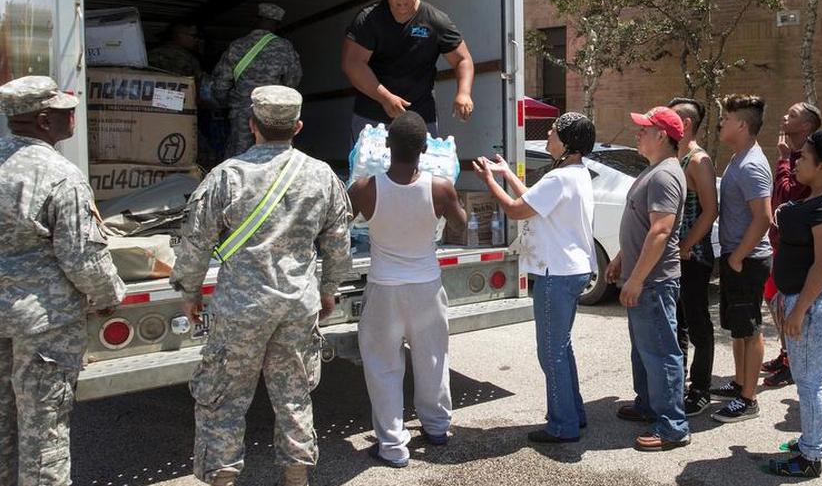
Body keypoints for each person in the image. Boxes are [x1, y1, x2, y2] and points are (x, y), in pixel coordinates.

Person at [172, 85, 353, 486]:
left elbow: (195, 241)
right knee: (293, 396)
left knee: (223, 397)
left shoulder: (226, 176)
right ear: (298, 126)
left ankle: (222, 478)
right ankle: (295, 475)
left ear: (251, 125)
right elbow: (338, 241)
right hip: (296, 305)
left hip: (240, 309)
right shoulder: (322, 175)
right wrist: (329, 288)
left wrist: (189, 293)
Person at [0, 76, 126, 486]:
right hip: (43, 325)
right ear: (41, 120)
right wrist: (109, 295)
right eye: (63, 110)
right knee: (45, 431)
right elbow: (83, 258)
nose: (72, 114)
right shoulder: (58, 175)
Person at [348, 111, 467, 467]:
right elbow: (460, 226)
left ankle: (392, 447)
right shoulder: (440, 187)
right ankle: (436, 428)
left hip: (384, 288)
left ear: (387, 146)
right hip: (426, 287)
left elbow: (341, 223)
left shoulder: (366, 188)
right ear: (424, 149)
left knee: (383, 366)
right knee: (432, 358)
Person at [473, 112, 597, 443]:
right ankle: (574, 413)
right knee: (562, 346)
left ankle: (563, 425)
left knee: (551, 351)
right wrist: (507, 174)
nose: (548, 137)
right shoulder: (575, 173)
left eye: (554, 132)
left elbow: (516, 210)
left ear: (568, 143)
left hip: (555, 272)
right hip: (573, 269)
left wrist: (489, 181)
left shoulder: (560, 179)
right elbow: (530, 199)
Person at [768, 129, 822, 478]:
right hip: (806, 300)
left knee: (809, 382)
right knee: (821, 374)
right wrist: (784, 296)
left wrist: (799, 308)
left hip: (815, 304)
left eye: (803, 157)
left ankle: (809, 456)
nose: (796, 161)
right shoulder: (815, 199)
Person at [604, 106, 690, 451]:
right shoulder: (655, 171)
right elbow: (642, 225)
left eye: (644, 129)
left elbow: (661, 231)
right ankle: (648, 406)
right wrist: (620, 259)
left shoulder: (665, 175)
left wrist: (636, 280)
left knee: (661, 353)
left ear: (662, 136)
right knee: (645, 350)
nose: (637, 133)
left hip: (653, 282)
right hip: (645, 278)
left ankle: (672, 427)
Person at [341, 0, 475, 139]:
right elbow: (352, 63)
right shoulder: (368, 20)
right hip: (372, 120)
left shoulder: (435, 21)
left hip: (420, 120)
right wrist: (385, 98)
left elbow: (462, 59)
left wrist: (464, 93)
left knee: (423, 169)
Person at [709, 94, 774, 424]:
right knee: (738, 329)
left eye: (726, 118)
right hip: (738, 258)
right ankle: (739, 384)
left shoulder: (751, 165)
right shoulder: (739, 157)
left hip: (748, 260)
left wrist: (737, 257)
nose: (721, 123)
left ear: (743, 125)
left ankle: (749, 400)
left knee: (751, 330)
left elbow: (763, 217)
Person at [762, 101, 822, 389]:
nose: (785, 117)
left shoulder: (806, 160)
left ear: (807, 126)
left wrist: (784, 160)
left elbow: (786, 195)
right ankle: (786, 353)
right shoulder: (793, 154)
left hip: (798, 248)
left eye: (793, 115)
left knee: (788, 304)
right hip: (780, 242)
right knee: (774, 300)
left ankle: (792, 363)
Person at [667, 97, 719, 415]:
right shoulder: (675, 157)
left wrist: (685, 246)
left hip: (695, 258)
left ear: (685, 124)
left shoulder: (698, 161)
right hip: (676, 258)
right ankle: (678, 383)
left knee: (699, 325)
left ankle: (700, 389)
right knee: (678, 325)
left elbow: (710, 210)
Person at [208, 3, 303, 157]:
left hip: (242, 112)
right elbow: (293, 81)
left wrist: (225, 104)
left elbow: (220, 84)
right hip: (273, 113)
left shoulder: (238, 46)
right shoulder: (284, 47)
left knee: (239, 157)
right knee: (275, 156)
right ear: (277, 24)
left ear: (256, 20)